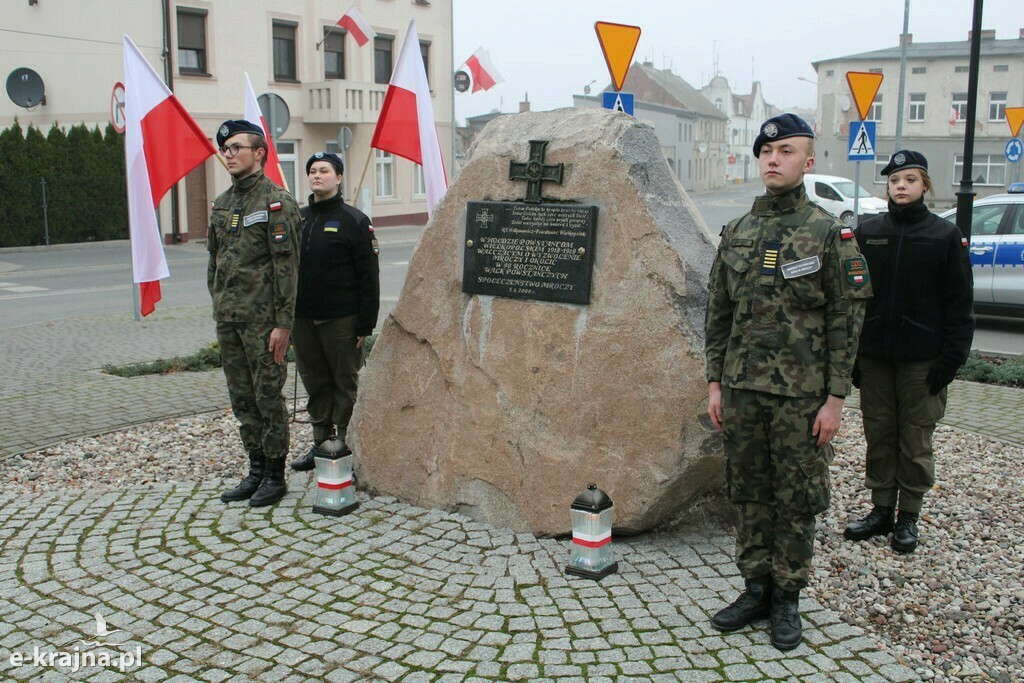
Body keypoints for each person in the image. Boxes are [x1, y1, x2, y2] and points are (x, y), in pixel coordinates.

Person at [705, 113, 872, 651]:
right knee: (749, 493)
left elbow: (847, 320)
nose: (774, 160)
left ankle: (787, 599)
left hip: (802, 398)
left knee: (797, 498)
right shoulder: (738, 232)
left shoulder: (828, 232)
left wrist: (836, 399)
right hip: (742, 392)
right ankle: (755, 588)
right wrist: (715, 384)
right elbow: (718, 315)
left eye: (786, 151)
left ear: (809, 160)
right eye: (767, 151)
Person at [844, 150, 973, 553]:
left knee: (915, 438)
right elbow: (853, 296)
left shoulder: (943, 235)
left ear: (925, 186)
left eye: (910, 180)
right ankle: (881, 509)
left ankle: (909, 516)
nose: (901, 186)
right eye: (895, 180)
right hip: (876, 356)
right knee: (879, 433)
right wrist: (854, 356)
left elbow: (960, 303)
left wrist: (950, 361)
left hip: (923, 359)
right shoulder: (869, 230)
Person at [208, 119, 302, 507]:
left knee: (267, 396)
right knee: (242, 397)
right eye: (225, 150)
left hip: (264, 323)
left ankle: (275, 474)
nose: (228, 155)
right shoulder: (223, 203)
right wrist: (218, 304)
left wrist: (283, 324)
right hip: (230, 319)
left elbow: (287, 269)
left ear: (259, 153)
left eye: (236, 148)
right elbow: (214, 261)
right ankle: (256, 468)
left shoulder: (276, 202)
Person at [289, 152, 380, 471]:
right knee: (314, 381)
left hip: (341, 319)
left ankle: (344, 444)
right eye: (312, 171)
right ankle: (320, 442)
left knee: (343, 382)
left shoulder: (354, 221)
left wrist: (365, 324)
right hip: (303, 319)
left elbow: (369, 277)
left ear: (338, 178)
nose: (317, 175)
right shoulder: (297, 219)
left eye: (324, 170)